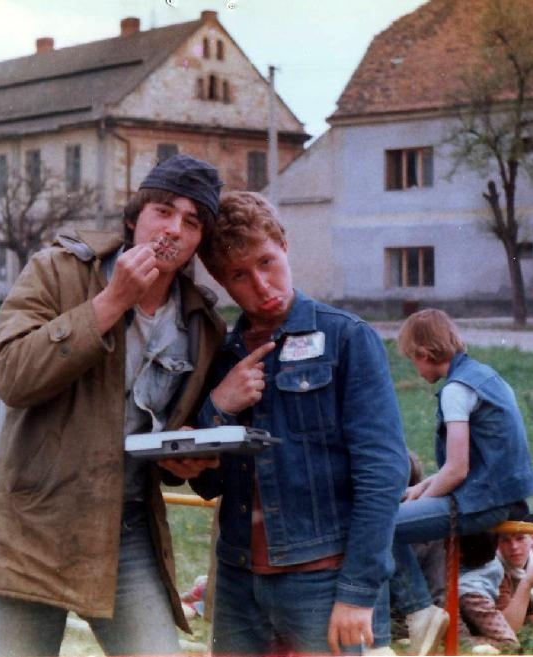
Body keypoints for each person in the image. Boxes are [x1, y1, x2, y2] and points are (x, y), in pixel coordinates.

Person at [0, 154, 226, 656]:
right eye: (163, 211)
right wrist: (112, 302)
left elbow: (167, 438)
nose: (174, 229)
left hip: (127, 529)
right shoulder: (56, 269)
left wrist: (183, 456)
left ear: (199, 241)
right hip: (33, 524)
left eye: (192, 222)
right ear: (135, 216)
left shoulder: (201, 323)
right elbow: (10, 376)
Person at [190, 191, 410, 655]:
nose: (261, 284)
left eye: (266, 262)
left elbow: (383, 473)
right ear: (222, 281)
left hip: (324, 579)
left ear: (284, 246)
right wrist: (218, 406)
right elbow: (206, 484)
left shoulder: (346, 337)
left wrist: (358, 592)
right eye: (239, 275)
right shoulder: (222, 356)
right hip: (237, 581)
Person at [390, 308, 533, 654]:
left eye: (413, 359)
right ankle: (424, 612)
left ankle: (419, 610)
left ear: (425, 353)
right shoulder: (485, 376)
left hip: (482, 502)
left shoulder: (455, 390)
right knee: (395, 512)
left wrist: (423, 498)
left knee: (380, 525)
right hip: (500, 495)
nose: (415, 367)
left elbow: (457, 470)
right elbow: (469, 464)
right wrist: (419, 490)